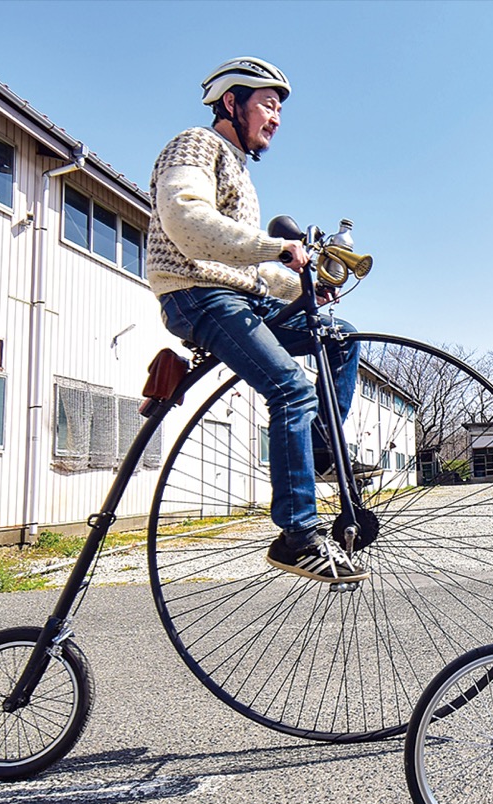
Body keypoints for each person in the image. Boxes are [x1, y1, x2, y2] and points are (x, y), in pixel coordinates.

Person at [145, 56, 368, 584]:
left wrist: (309, 284)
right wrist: (277, 246)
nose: (276, 118)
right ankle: (297, 537)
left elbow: (253, 268)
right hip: (196, 294)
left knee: (339, 338)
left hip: (236, 295)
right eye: (268, 104)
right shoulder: (194, 144)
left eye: (279, 109)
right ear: (231, 102)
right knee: (291, 388)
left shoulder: (239, 169)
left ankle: (316, 450)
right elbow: (188, 222)